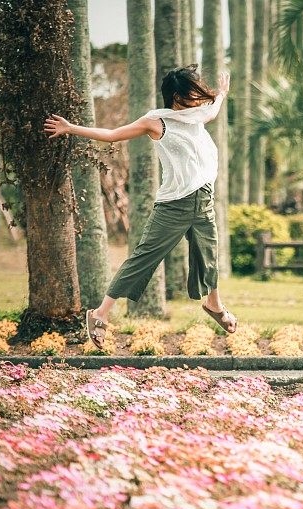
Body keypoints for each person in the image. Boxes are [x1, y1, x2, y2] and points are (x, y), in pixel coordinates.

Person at [44, 65, 237, 350]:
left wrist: (221, 94)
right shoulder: (156, 121)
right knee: (143, 258)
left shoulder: (197, 115)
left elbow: (213, 110)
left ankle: (214, 304)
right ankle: (100, 314)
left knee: (208, 255)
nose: (199, 99)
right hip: (174, 205)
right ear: (177, 96)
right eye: (193, 94)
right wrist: (70, 128)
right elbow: (112, 134)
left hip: (204, 199)